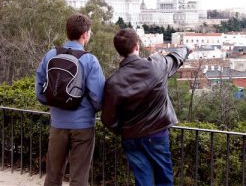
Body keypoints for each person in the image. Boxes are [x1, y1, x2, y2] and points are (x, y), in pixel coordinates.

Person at [101, 28, 191, 186]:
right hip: (157, 134)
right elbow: (175, 58)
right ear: (137, 46)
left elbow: (108, 118)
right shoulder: (156, 65)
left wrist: (123, 129)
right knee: (164, 178)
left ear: (118, 51)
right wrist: (187, 48)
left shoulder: (113, 82)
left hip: (131, 137)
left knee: (143, 180)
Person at [35, 13, 105, 186]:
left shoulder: (51, 54)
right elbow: (98, 96)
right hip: (83, 126)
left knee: (52, 176)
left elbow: (39, 87)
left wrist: (52, 103)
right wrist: (91, 111)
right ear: (84, 34)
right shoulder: (90, 60)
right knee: (79, 179)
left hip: (57, 123)